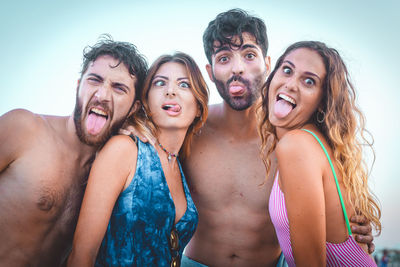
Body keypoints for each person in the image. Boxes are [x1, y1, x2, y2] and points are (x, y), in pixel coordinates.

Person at [180, 9, 376, 267]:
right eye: (224, 58)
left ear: (268, 63)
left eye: (249, 55)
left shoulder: (293, 136)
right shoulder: (189, 129)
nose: (238, 68)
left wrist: (355, 227)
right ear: (210, 70)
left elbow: (337, 200)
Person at [0, 36, 148, 266]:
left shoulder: (113, 175)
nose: (102, 95)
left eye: (119, 88)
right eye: (94, 80)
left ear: (133, 108)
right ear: (79, 85)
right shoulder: (24, 128)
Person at [67, 52, 209, 267]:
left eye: (184, 85)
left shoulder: (179, 164)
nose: (170, 91)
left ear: (198, 107)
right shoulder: (125, 149)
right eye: (160, 83)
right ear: (145, 101)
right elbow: (81, 255)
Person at [258, 41, 381, 266]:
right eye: (287, 70)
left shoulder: (297, 146)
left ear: (322, 102)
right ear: (272, 76)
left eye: (309, 81)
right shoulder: (313, 144)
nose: (291, 84)